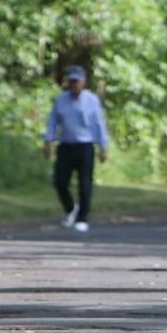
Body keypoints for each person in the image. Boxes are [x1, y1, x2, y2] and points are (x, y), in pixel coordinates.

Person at [44, 64, 110, 233]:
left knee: (85, 183)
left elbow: (98, 123)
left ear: (83, 82)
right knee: (60, 182)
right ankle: (71, 208)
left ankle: (82, 217)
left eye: (77, 81)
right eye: (71, 81)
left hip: (85, 145)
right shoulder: (61, 100)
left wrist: (103, 146)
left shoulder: (91, 100)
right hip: (66, 145)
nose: (74, 85)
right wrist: (48, 141)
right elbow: (53, 121)